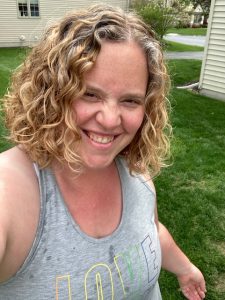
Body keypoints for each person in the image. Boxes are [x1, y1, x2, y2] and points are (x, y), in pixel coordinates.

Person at [0, 4, 206, 300]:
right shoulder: (11, 190)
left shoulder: (135, 170)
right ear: (52, 93)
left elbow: (149, 228)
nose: (111, 120)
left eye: (130, 101)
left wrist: (185, 269)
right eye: (90, 93)